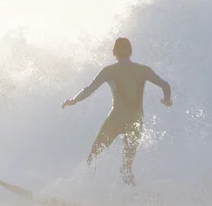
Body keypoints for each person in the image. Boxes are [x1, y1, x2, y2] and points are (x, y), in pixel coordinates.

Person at [62, 37, 172, 185]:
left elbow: (89, 89)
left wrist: (73, 100)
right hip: (136, 121)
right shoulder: (144, 70)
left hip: (115, 120)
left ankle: (83, 191)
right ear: (131, 52)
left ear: (114, 52)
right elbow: (165, 85)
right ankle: (132, 197)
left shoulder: (109, 71)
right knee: (126, 167)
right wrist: (166, 100)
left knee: (93, 156)